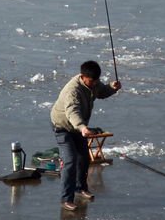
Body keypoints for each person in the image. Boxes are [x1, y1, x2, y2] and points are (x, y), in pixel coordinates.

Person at [51, 61, 121, 211]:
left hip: (78, 128)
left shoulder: (93, 83)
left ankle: (80, 188)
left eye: (96, 81)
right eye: (91, 81)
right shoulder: (73, 91)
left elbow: (102, 92)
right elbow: (72, 111)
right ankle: (66, 199)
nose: (94, 84)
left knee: (84, 157)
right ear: (83, 77)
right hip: (62, 126)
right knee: (70, 160)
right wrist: (82, 128)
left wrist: (112, 88)